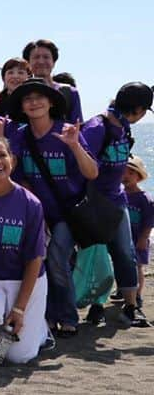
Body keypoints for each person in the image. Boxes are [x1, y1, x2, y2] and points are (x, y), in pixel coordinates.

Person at [7, 78, 98, 337]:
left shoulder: (66, 131)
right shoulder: (20, 136)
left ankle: (68, 317)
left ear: (50, 103)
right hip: (38, 214)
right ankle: (48, 316)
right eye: (27, 99)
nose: (34, 102)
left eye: (40, 97)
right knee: (39, 264)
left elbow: (91, 172)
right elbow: (19, 176)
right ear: (22, 107)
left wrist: (74, 145)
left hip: (68, 213)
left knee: (57, 257)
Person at [0, 137, 50, 363]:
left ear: (12, 161)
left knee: (19, 357)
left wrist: (19, 309)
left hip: (24, 280)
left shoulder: (30, 203)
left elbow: (35, 259)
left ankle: (41, 329)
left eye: (2, 155)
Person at [79, 82, 151, 327]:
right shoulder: (98, 128)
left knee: (125, 253)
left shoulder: (124, 128)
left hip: (117, 200)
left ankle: (131, 307)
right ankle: (95, 306)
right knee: (96, 257)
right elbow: (80, 165)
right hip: (94, 205)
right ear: (140, 110)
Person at [23, 39, 83, 123]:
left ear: (54, 62)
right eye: (36, 57)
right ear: (28, 63)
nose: (41, 61)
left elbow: (78, 127)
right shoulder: (22, 93)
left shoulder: (69, 92)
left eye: (46, 57)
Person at [124, 156, 152, 306]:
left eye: (131, 173)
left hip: (139, 237)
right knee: (123, 264)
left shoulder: (144, 198)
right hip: (124, 237)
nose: (126, 176)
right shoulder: (121, 195)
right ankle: (124, 290)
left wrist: (143, 238)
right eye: (123, 173)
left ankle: (138, 295)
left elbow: (149, 221)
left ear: (139, 176)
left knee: (138, 266)